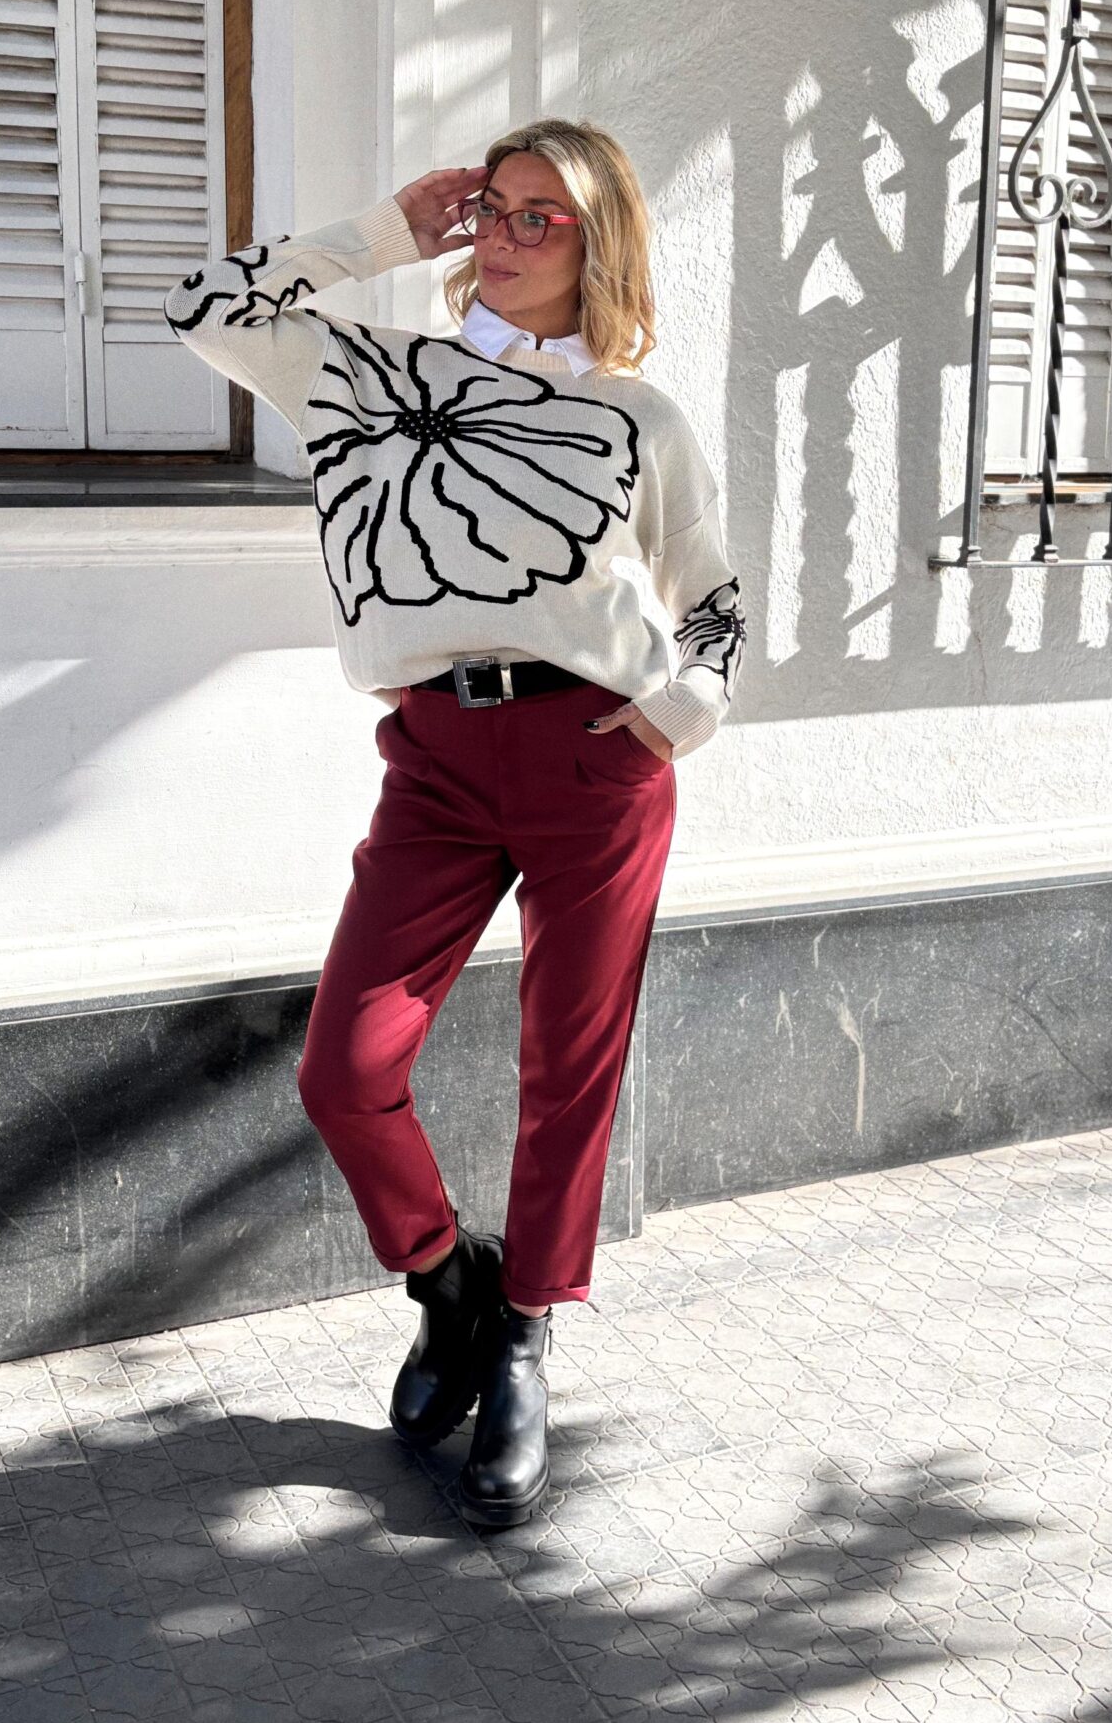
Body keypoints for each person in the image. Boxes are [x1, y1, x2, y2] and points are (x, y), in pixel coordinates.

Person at [163, 120, 744, 1528]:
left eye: (546, 215)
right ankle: (448, 1285)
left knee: (567, 1068)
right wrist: (381, 233)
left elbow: (712, 602)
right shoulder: (373, 370)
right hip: (435, 756)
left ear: (600, 243)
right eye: (496, 206)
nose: (509, 232)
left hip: (594, 756)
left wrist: (674, 717)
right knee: (344, 1066)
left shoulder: (638, 417)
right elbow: (205, 309)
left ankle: (527, 1337)